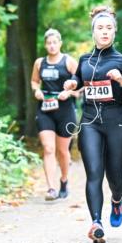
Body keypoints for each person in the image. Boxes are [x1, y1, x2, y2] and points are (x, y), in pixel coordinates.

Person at [63, 5, 122, 243]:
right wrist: (71, 84)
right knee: (94, 173)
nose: (104, 32)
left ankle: (116, 201)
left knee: (115, 178)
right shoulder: (85, 59)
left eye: (109, 28)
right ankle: (96, 223)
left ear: (115, 32)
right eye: (100, 28)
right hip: (89, 122)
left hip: (116, 121)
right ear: (93, 32)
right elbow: (78, 80)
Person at [30, 29, 78, 200]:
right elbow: (35, 81)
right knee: (49, 148)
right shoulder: (39, 63)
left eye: (54, 42)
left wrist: (70, 93)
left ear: (60, 43)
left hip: (65, 110)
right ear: (45, 45)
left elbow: (83, 85)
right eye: (48, 43)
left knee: (62, 151)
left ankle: (64, 181)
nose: (51, 46)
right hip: (45, 109)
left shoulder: (69, 62)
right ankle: (51, 188)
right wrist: (36, 91)